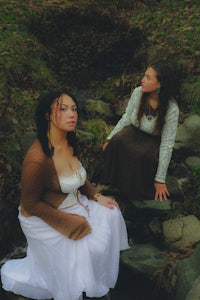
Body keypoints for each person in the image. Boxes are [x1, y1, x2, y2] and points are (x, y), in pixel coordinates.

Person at [1, 90, 129, 300]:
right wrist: (69, 223)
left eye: (74, 109)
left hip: (74, 203)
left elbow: (78, 176)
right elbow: (30, 204)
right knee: (86, 248)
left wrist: (96, 196)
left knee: (112, 213)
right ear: (47, 115)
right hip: (42, 217)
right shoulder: (37, 159)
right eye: (63, 109)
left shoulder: (70, 141)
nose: (72, 114)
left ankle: (95, 277)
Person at [101, 61, 179, 203]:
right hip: (132, 132)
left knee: (141, 155)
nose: (142, 80)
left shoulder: (171, 109)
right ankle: (114, 183)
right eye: (144, 75)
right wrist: (109, 138)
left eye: (148, 78)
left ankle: (133, 192)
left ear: (160, 84)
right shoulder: (138, 93)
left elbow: (167, 144)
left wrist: (160, 179)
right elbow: (126, 118)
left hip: (151, 140)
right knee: (117, 141)